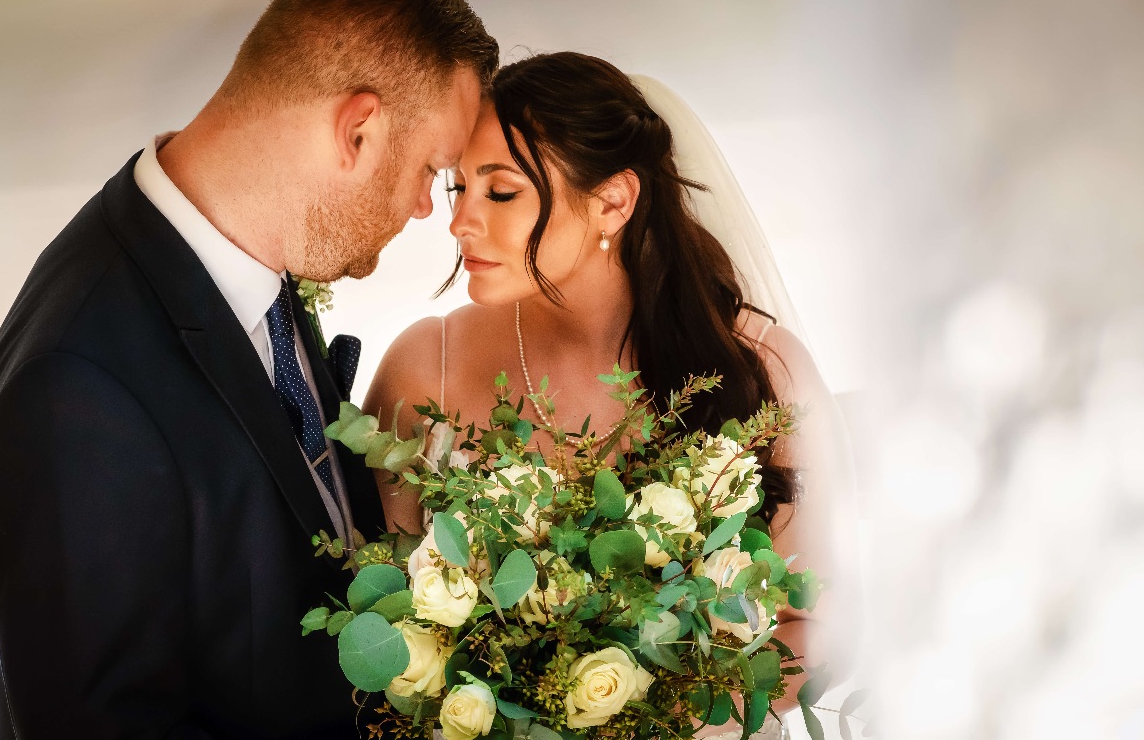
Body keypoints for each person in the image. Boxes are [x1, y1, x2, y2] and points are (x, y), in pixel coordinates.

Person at [0, 0, 496, 738]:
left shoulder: (245, 263)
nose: (426, 207)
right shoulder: (74, 387)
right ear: (358, 129)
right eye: (429, 169)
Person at [364, 52, 858, 738]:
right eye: (458, 189)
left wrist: (662, 713)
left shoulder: (758, 369)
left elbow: (822, 622)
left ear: (614, 202)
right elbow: (384, 617)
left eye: (500, 192)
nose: (460, 222)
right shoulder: (425, 368)